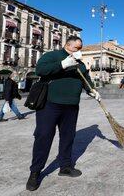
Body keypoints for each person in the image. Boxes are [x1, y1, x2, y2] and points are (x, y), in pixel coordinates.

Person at [26, 36, 100, 191]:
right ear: (68, 45)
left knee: (68, 136)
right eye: (77, 48)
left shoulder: (80, 64)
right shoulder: (52, 56)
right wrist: (62, 64)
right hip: (50, 104)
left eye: (81, 48)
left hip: (71, 106)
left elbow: (86, 79)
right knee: (43, 136)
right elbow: (40, 70)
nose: (79, 51)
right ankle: (35, 172)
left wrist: (92, 90)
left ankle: (65, 167)